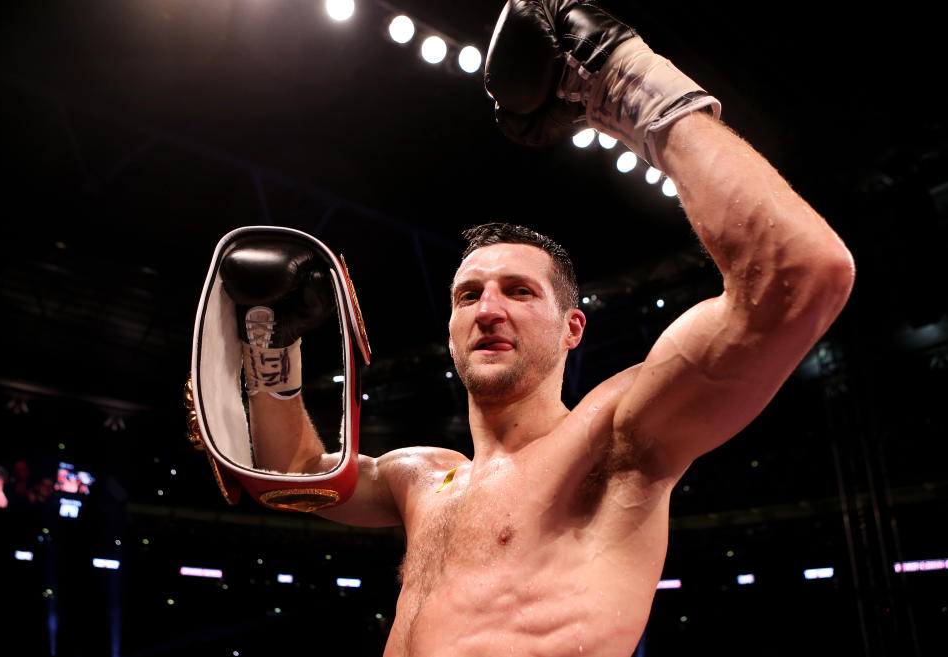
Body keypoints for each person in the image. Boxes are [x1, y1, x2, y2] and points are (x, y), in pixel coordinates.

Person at [222, 2, 855, 655]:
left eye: (518, 291)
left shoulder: (615, 437)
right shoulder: (421, 477)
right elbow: (290, 474)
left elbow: (803, 273)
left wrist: (626, 80)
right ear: (449, 327)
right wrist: (275, 343)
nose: (488, 309)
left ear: (572, 327)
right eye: (468, 295)